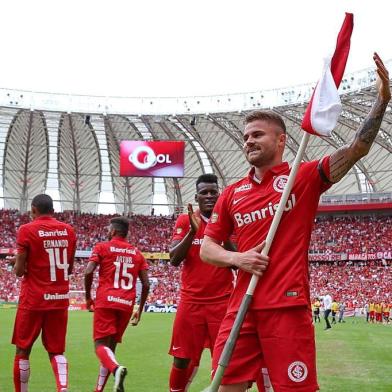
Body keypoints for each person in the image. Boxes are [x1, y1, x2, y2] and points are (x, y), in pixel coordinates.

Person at [200, 53, 390, 391]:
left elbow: (357, 148)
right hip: (241, 305)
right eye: (245, 137)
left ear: (281, 140)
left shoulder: (301, 178)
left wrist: (382, 100)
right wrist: (236, 258)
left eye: (257, 135)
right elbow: (208, 248)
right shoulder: (232, 194)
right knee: (225, 386)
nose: (248, 142)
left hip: (286, 307)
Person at [168, 174, 235, 392]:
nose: (208, 196)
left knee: (224, 360)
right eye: (204, 192)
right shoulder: (185, 220)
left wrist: (223, 234)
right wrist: (192, 232)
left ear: (220, 194)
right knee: (181, 358)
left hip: (223, 302)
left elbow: (237, 262)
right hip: (191, 302)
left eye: (212, 192)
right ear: (196, 197)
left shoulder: (230, 219)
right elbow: (174, 259)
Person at [11, 194, 77, 392]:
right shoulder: (69, 230)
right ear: (53, 211)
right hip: (59, 298)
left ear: (33, 210)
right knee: (56, 350)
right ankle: (62, 387)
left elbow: (19, 271)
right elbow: (69, 268)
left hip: (33, 299)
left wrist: (16, 263)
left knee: (23, 349)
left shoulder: (26, 230)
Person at [84, 217, 150, 392]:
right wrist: (139, 310)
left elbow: (88, 270)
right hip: (126, 305)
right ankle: (99, 389)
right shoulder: (137, 253)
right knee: (110, 351)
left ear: (113, 231)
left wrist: (88, 297)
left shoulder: (102, 247)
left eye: (108, 229)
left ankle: (116, 369)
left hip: (106, 301)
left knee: (99, 346)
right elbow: (146, 284)